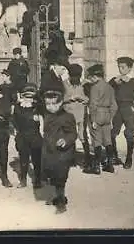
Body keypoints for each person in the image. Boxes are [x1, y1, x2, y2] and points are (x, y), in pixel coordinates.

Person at [41, 86, 78, 214]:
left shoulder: (68, 117)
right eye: (47, 104)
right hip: (49, 151)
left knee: (60, 177)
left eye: (53, 104)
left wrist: (65, 140)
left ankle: (61, 203)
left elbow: (73, 134)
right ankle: (58, 197)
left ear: (61, 102)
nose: (50, 106)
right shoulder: (46, 115)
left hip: (63, 153)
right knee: (52, 176)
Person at [109, 57, 134, 169]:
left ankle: (129, 159)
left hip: (129, 111)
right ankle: (115, 156)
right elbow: (106, 90)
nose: (120, 69)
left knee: (129, 134)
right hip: (117, 110)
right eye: (119, 67)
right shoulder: (115, 81)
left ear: (129, 68)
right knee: (112, 133)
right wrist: (112, 83)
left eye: (123, 67)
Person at [84, 64, 118, 174]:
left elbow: (93, 105)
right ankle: (110, 165)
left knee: (96, 140)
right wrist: (111, 117)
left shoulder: (94, 88)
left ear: (95, 76)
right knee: (108, 141)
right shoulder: (110, 87)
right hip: (107, 114)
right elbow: (114, 106)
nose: (91, 79)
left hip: (97, 114)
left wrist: (93, 119)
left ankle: (96, 166)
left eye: (91, 77)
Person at [12, 83, 43, 188]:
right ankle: (23, 180)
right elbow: (14, 121)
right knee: (23, 159)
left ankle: (38, 180)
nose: (28, 99)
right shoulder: (18, 107)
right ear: (22, 96)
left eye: (31, 97)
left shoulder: (38, 107)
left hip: (35, 136)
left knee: (36, 160)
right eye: (26, 96)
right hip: (22, 136)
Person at [61, 64, 89, 169]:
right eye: (73, 77)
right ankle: (71, 158)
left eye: (77, 77)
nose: (75, 79)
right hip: (68, 114)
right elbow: (60, 99)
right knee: (70, 136)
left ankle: (87, 158)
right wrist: (69, 98)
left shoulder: (85, 84)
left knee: (82, 136)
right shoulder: (64, 84)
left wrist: (83, 98)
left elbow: (90, 98)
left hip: (81, 114)